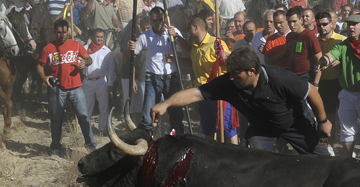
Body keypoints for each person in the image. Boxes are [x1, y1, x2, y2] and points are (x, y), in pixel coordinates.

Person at [152, 47, 331, 156]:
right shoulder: (229, 82)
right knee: (253, 164)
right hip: (262, 128)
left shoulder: (279, 78)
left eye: (235, 73)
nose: (230, 77)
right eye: (229, 72)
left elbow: (312, 92)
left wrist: (323, 121)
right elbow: (196, 94)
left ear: (252, 71)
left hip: (295, 124)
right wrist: (166, 104)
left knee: (323, 162)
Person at [37, 19, 97, 155]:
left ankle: (90, 144)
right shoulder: (48, 48)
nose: (62, 35)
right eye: (59, 33)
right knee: (56, 118)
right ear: (54, 32)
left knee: (84, 117)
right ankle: (56, 146)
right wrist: (44, 77)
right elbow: (39, 65)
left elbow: (89, 59)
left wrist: (84, 62)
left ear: (68, 31)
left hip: (76, 87)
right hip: (56, 88)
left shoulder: (76, 45)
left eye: (64, 32)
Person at [127, 7, 184, 134]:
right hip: (152, 78)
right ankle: (147, 141)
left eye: (160, 20)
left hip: (172, 77)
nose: (158, 23)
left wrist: (177, 37)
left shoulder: (172, 31)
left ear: (164, 19)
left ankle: (176, 141)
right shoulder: (144, 37)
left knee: (176, 114)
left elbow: (188, 49)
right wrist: (130, 50)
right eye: (154, 20)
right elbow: (131, 58)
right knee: (148, 114)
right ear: (151, 21)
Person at [183, 15, 238, 144]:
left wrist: (225, 55)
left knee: (227, 127)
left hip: (219, 92)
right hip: (202, 92)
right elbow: (193, 64)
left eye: (189, 28)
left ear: (196, 27)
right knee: (208, 128)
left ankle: (235, 154)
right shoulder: (195, 47)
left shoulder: (216, 43)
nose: (187, 31)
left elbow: (233, 62)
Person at [317, 14, 360, 158]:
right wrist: (324, 60)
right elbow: (332, 54)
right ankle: (349, 161)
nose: (351, 27)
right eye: (349, 24)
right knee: (347, 130)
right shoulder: (344, 45)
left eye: (355, 24)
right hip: (347, 93)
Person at [316, 11, 346, 156]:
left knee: (345, 117)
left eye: (325, 24)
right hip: (323, 84)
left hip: (340, 83)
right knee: (329, 117)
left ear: (332, 24)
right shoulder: (315, 41)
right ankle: (329, 147)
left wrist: (341, 60)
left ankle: (347, 148)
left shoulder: (342, 40)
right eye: (319, 24)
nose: (322, 27)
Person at [82, 28, 116, 135]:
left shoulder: (107, 52)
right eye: (97, 37)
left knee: (104, 106)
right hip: (87, 80)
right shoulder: (85, 49)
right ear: (93, 37)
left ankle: (102, 128)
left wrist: (110, 83)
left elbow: (111, 70)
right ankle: (83, 128)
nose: (99, 39)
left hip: (102, 81)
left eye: (101, 37)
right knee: (86, 106)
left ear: (104, 38)